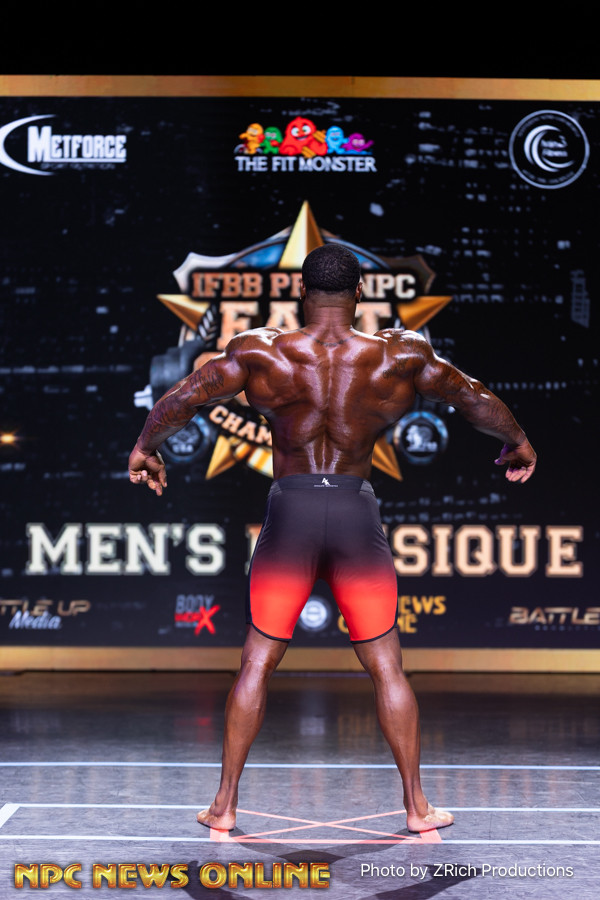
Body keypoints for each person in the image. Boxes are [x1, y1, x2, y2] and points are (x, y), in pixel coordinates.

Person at [128, 243, 536, 834]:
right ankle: (417, 808)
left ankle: (224, 805)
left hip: (290, 511)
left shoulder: (261, 351)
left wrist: (146, 447)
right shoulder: (398, 354)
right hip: (353, 513)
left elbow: (187, 395)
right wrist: (517, 440)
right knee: (387, 667)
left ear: (300, 291)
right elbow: (471, 396)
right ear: (360, 294)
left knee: (257, 662)